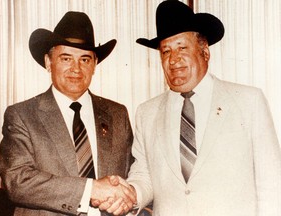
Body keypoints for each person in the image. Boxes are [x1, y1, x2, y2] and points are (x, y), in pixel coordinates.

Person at [95, 0, 281, 215]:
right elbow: (144, 173)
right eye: (165, 52)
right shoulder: (147, 112)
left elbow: (272, 185)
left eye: (182, 47)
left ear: (204, 52)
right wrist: (131, 193)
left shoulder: (249, 101)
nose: (173, 60)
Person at [0, 11, 136, 216]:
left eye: (85, 60)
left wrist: (129, 199)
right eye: (66, 58)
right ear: (48, 62)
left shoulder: (118, 114)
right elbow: (17, 180)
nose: (76, 69)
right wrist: (91, 189)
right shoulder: (22, 115)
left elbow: (134, 172)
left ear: (95, 65)